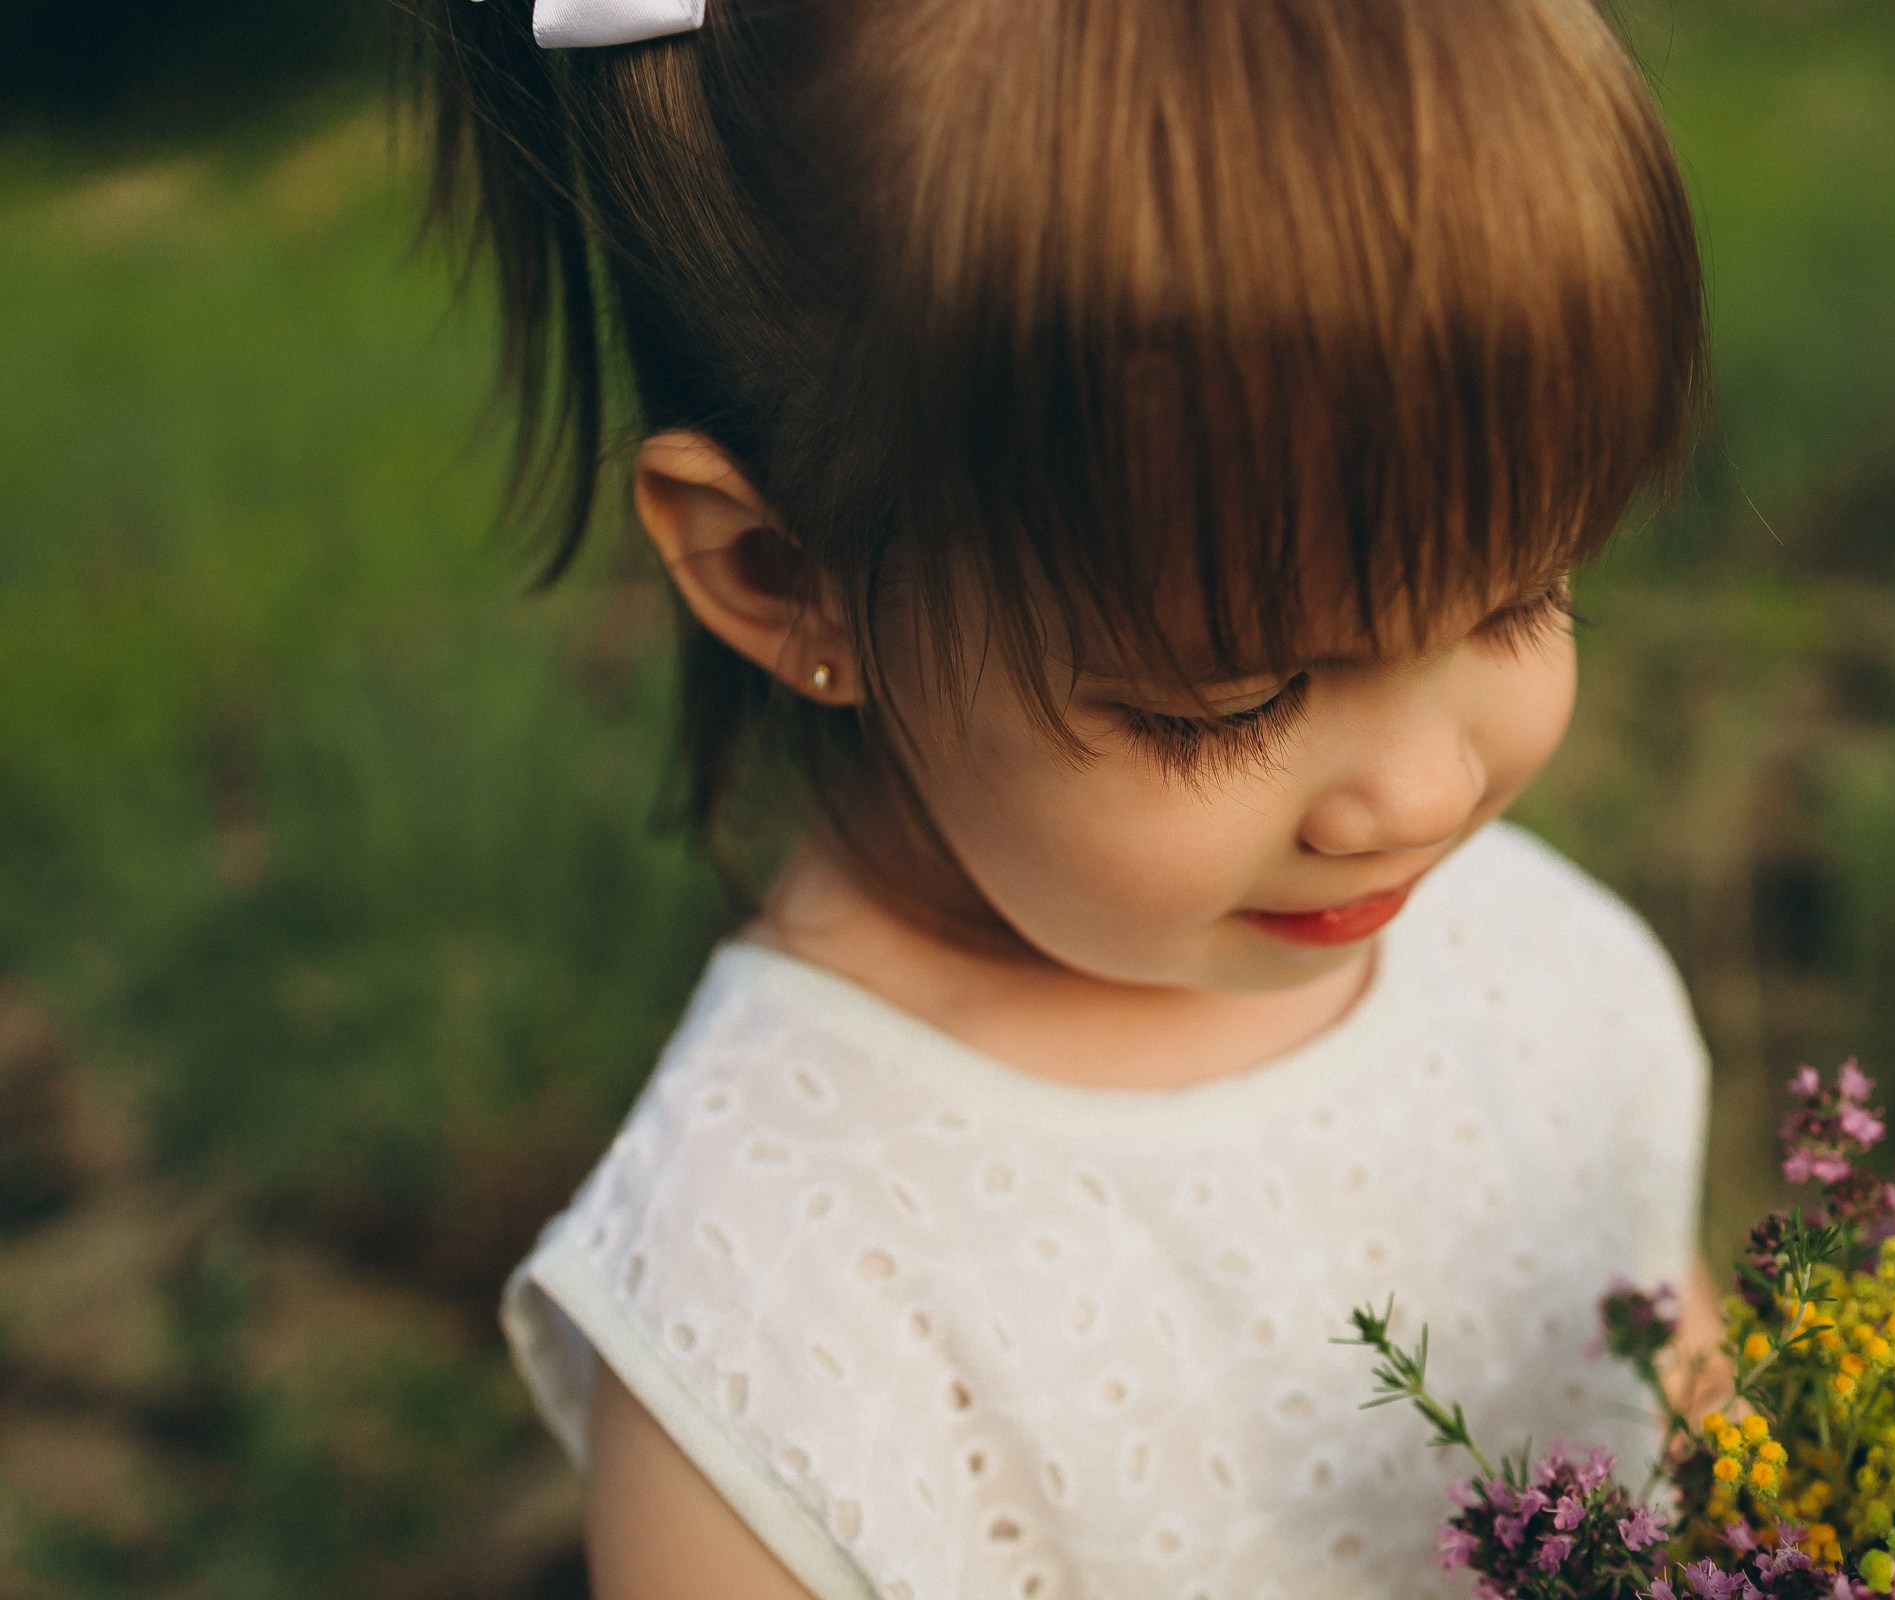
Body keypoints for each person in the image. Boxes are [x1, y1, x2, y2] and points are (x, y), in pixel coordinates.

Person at [415, 0, 1718, 1593]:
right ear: (784, 574)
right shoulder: (783, 1311)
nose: (1430, 788)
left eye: (1521, 597)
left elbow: (1688, 1435)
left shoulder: (1549, 978)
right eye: (1228, 698)